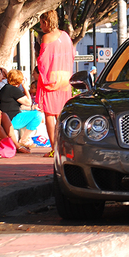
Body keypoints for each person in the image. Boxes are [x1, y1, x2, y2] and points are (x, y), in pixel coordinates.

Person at [37, 9, 75, 157]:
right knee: (61, 114)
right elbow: (71, 55)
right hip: (65, 79)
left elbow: (43, 60)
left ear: (46, 22)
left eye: (41, 24)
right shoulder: (65, 35)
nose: (41, 27)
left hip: (51, 79)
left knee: (49, 114)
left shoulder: (46, 37)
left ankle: (55, 148)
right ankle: (65, 146)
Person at [0, 69, 41, 154]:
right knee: (37, 115)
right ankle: (24, 139)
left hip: (7, 118)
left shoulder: (4, 89)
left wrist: (32, 107)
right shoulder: (13, 89)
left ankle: (24, 139)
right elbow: (28, 102)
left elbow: (18, 105)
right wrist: (24, 86)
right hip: (13, 119)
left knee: (30, 112)